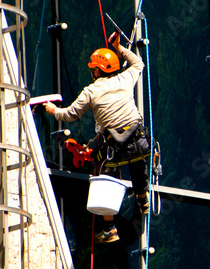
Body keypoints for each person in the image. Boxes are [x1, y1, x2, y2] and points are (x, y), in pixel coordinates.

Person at [44, 33, 150, 243]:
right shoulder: (125, 78)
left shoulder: (90, 91)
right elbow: (138, 63)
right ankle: (143, 198)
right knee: (138, 166)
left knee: (105, 178)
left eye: (93, 68)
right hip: (139, 143)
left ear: (97, 70)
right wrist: (119, 48)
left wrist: (53, 110)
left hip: (115, 150)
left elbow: (71, 114)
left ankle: (110, 229)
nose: (91, 71)